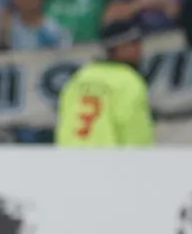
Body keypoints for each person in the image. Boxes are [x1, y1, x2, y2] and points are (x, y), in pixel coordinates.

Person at [55, 20, 155, 148]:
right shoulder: (129, 81)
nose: (140, 50)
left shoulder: (79, 78)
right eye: (134, 44)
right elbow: (136, 134)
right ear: (120, 48)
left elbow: (64, 124)